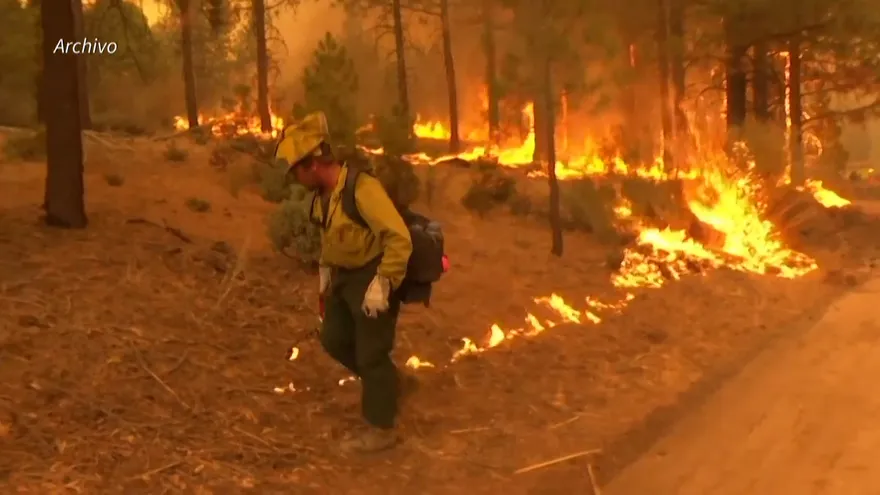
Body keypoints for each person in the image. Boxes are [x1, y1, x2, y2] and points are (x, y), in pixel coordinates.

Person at [273, 112, 414, 453]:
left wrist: (383, 283)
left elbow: (399, 237)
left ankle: (382, 428)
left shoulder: (361, 190)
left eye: (298, 172)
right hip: (343, 277)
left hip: (372, 274)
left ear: (313, 165)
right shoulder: (322, 196)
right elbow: (331, 235)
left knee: (371, 354)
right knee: (334, 339)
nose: (297, 180)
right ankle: (390, 384)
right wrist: (325, 272)